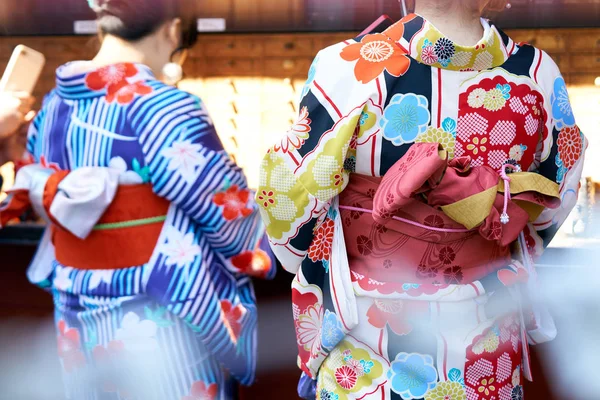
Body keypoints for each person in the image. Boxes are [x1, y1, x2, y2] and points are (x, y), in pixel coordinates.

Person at [257, 0, 586, 399]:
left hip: (371, 329)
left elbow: (290, 204)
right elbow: (552, 201)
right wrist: (491, 222)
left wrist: (313, 254)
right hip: (487, 337)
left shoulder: (346, 67)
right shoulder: (536, 75)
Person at [0, 0, 275, 398]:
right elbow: (231, 217)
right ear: (173, 29)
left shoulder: (52, 108)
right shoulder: (166, 108)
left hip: (77, 320)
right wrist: (291, 232)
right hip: (160, 322)